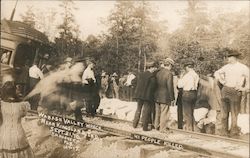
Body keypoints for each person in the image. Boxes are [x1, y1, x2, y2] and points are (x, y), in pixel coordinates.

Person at [214, 49, 249, 137]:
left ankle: (233, 133)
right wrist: (222, 80)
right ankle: (224, 132)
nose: (228, 59)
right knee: (224, 113)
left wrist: (244, 88)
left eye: (229, 57)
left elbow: (249, 79)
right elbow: (216, 73)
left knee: (234, 113)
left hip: (235, 91)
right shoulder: (226, 67)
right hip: (225, 90)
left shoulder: (243, 67)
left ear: (234, 58)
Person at [0, 81, 34, 158]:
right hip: (18, 134)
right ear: (14, 91)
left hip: (3, 134)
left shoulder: (1, 104)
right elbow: (25, 114)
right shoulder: (23, 105)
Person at [133, 62, 157, 131]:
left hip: (139, 95)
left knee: (138, 109)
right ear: (151, 68)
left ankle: (134, 124)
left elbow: (133, 82)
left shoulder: (140, 74)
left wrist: (138, 89)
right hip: (147, 96)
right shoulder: (152, 76)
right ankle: (145, 127)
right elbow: (153, 86)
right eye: (153, 68)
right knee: (146, 111)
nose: (154, 70)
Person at [154, 58, 175, 132]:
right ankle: (162, 129)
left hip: (156, 96)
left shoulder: (158, 72)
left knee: (157, 112)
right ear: (169, 65)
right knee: (164, 112)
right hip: (165, 96)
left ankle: (156, 126)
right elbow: (170, 87)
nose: (171, 67)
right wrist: (172, 98)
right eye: (171, 66)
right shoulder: (169, 73)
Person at [177, 61, 199, 131]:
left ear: (187, 67)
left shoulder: (187, 76)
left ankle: (189, 129)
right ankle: (193, 128)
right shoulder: (196, 75)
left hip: (187, 94)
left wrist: (180, 78)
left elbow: (179, 85)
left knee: (187, 113)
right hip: (194, 93)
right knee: (192, 112)